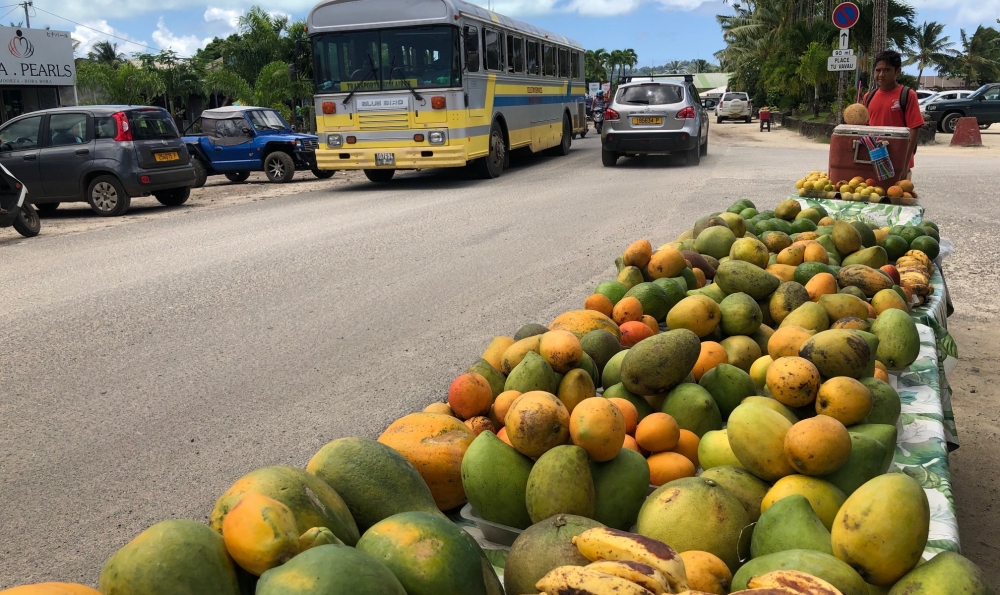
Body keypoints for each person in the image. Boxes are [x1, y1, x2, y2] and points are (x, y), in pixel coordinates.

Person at [864, 50, 924, 180]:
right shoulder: (868, 97)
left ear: (897, 71)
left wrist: (904, 165)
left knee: (897, 198)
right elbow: (864, 130)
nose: (881, 74)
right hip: (874, 161)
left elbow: (914, 130)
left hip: (898, 162)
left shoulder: (907, 95)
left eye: (887, 70)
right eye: (878, 70)